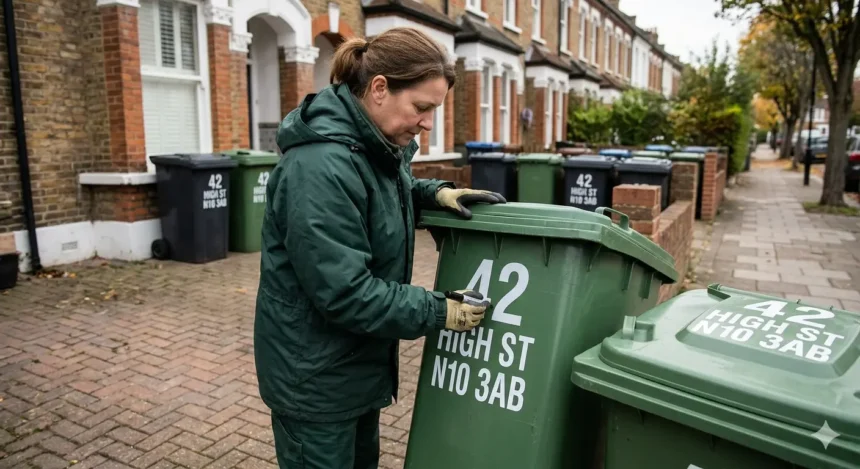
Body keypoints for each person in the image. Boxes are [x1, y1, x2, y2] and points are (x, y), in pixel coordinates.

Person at [254, 27, 506, 469]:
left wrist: (431, 195)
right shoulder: (319, 167)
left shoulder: (372, 146)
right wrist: (438, 310)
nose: (428, 122)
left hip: (353, 368)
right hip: (315, 380)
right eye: (422, 108)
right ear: (379, 89)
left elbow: (377, 193)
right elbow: (346, 292)